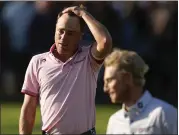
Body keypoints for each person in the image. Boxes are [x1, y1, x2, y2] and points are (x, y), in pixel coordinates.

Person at [19, 5, 112, 135]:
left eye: (70, 33)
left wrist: (84, 15)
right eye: (60, 31)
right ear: (55, 31)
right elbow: (29, 108)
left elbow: (105, 41)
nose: (63, 37)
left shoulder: (88, 59)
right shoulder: (38, 61)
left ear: (80, 36)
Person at [103, 48, 177, 134]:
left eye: (110, 80)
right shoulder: (114, 121)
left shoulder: (164, 113)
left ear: (127, 78)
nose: (105, 89)